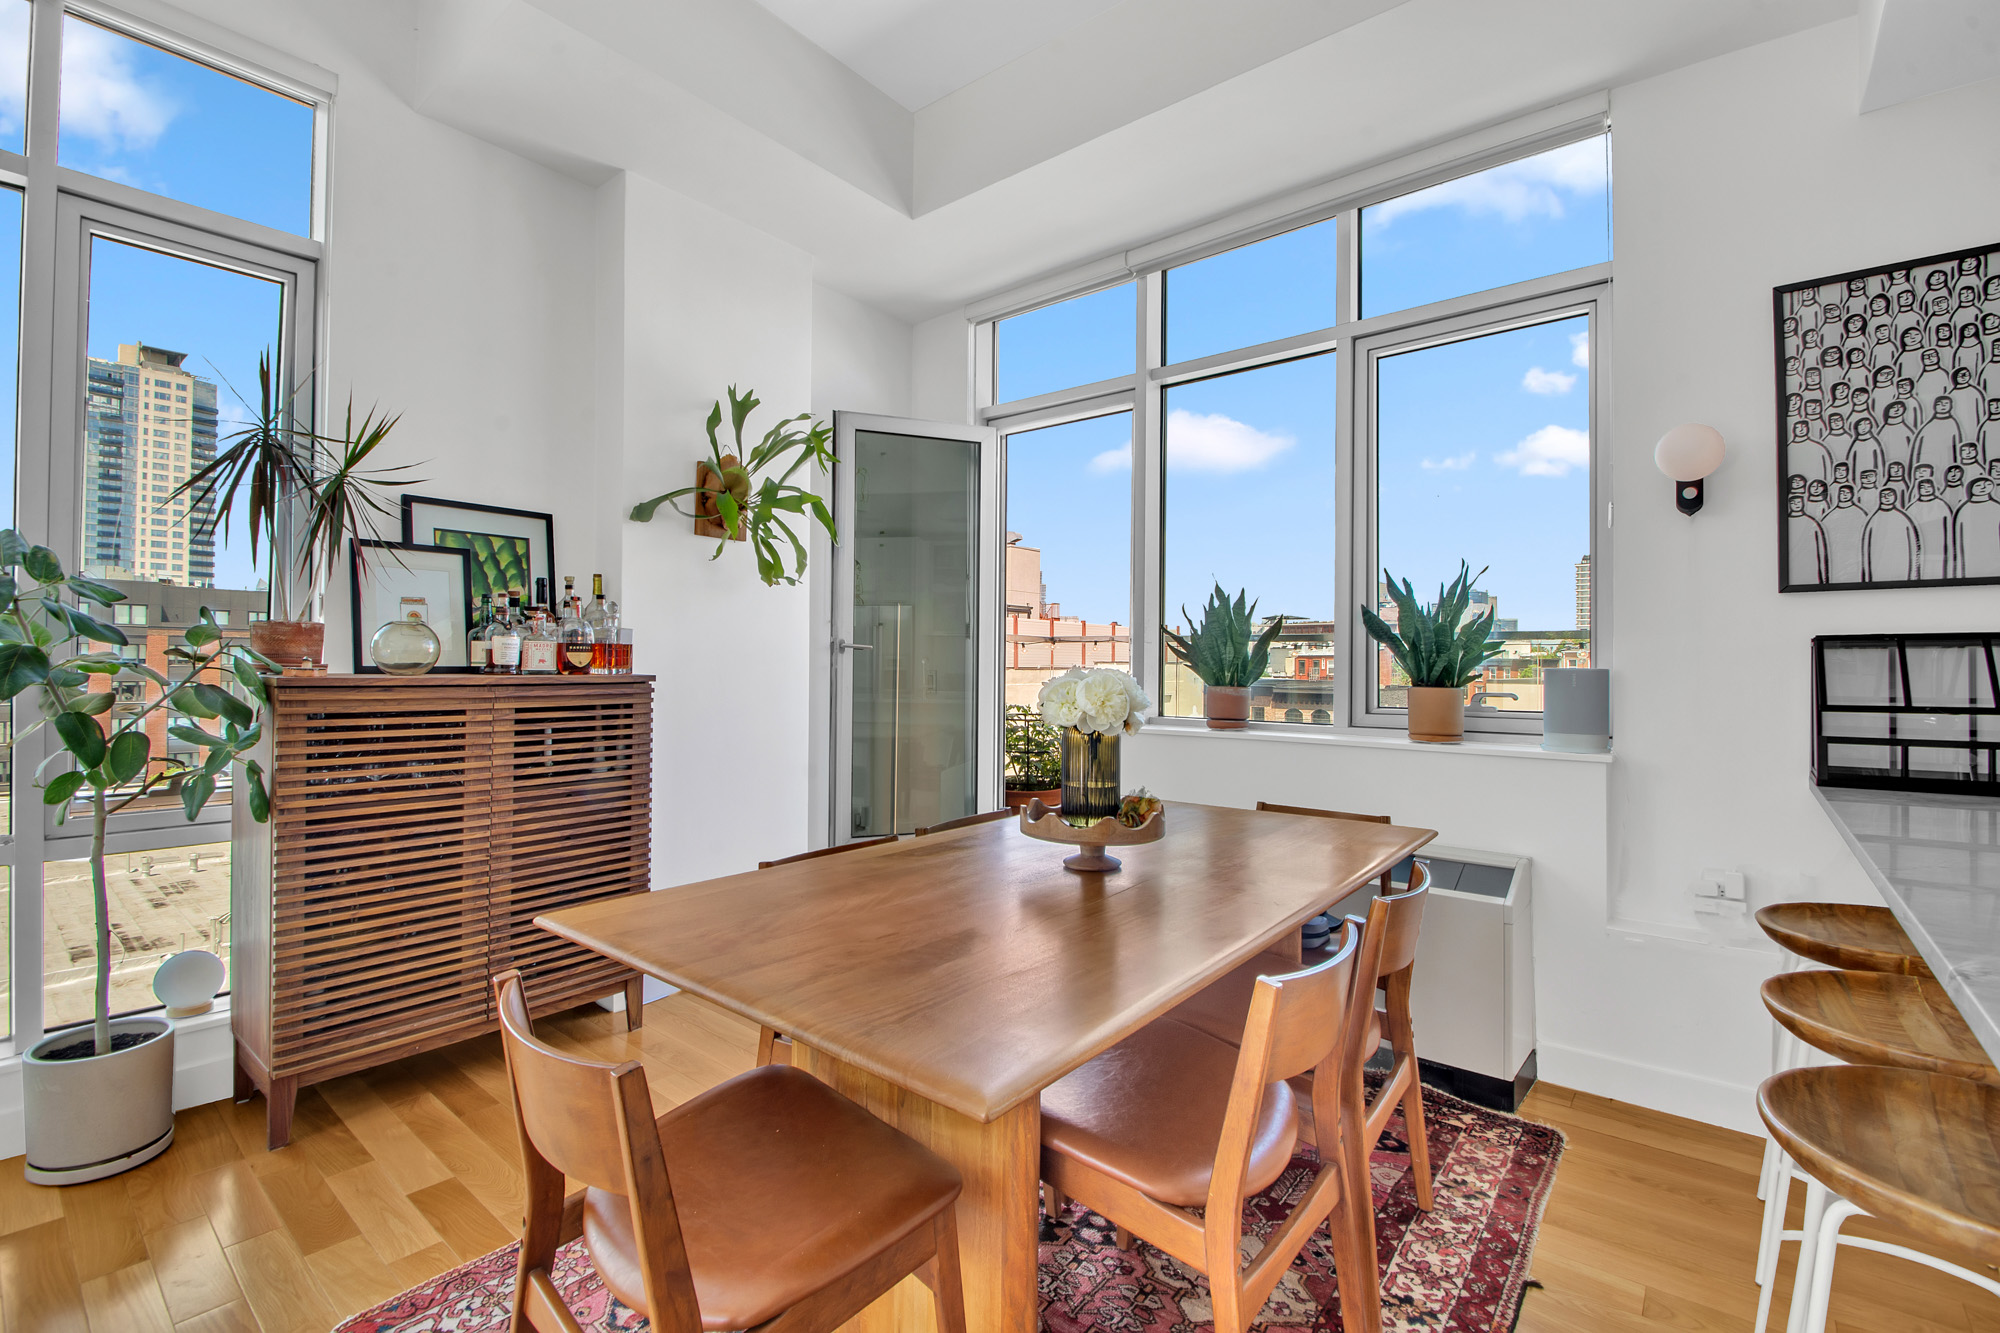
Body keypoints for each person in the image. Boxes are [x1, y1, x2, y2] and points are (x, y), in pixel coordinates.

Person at [1860, 486, 1920, 583]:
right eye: (1883, 496)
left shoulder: (1903, 518)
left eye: (1889, 495)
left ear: (1895, 497)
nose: (1886, 498)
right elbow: (1867, 546)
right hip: (1879, 563)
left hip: (1900, 560)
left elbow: (1912, 544)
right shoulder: (1874, 519)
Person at [1905, 478, 1954, 581]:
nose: (1926, 489)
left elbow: (1948, 528)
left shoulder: (1941, 505)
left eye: (1928, 486)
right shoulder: (1913, 507)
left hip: (1939, 544)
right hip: (1921, 545)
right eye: (1923, 487)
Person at [1823, 484, 1868, 583]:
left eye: (1847, 493)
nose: (1844, 495)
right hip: (1837, 551)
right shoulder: (1831, 514)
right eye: (1842, 493)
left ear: (1852, 494)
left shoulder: (1860, 513)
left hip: (1854, 550)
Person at [1788, 493, 1829, 585]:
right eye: (1793, 503)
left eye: (1798, 502)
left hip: (1811, 562)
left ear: (1803, 503)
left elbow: (1821, 548)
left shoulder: (1812, 523)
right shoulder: (1786, 523)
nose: (1796, 505)